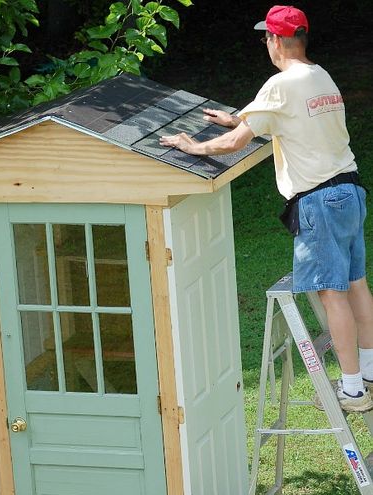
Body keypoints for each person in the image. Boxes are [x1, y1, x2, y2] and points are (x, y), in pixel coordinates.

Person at [160, 5, 373, 413]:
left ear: (275, 41)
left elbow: (234, 144)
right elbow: (281, 118)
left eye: (266, 38)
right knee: (357, 284)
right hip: (349, 191)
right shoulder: (320, 77)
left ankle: (352, 391)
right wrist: (239, 117)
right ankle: (367, 372)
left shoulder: (280, 83)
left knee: (333, 294)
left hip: (319, 200)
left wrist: (195, 146)